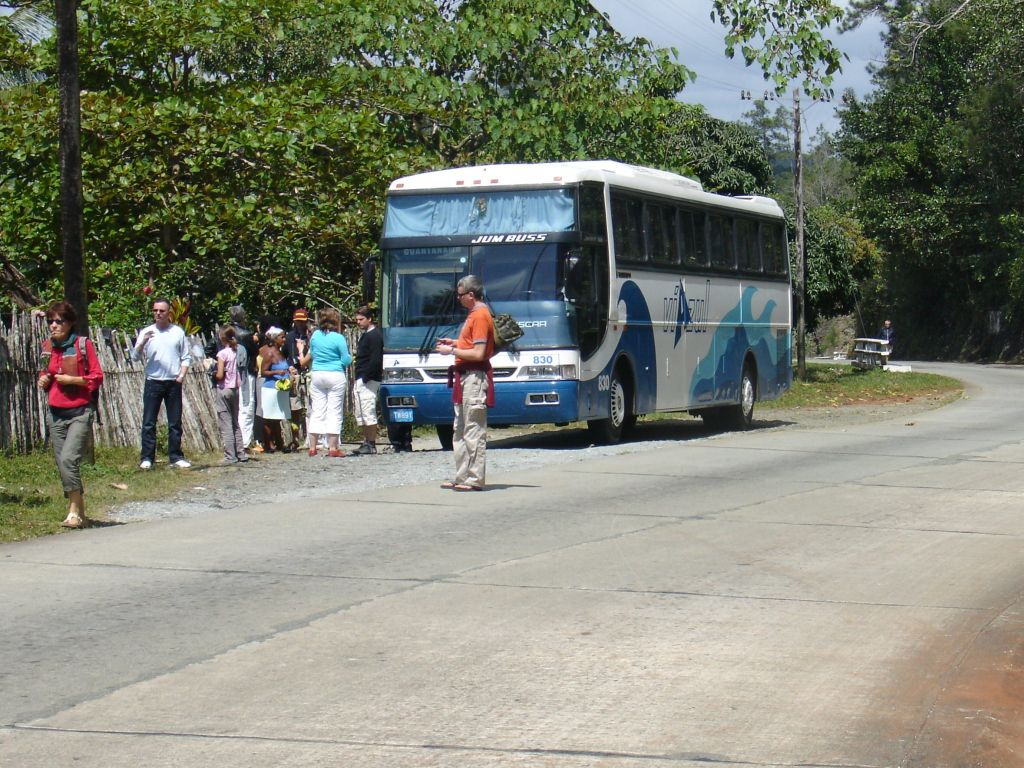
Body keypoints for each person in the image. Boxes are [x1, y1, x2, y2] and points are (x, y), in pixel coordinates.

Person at [37, 301, 104, 528]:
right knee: (62, 463)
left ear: (70, 322)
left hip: (79, 411)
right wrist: (43, 379)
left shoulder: (82, 345)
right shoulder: (48, 346)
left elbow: (97, 377)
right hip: (55, 413)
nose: (54, 325)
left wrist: (73, 380)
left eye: (59, 321)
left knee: (68, 459)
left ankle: (74, 511)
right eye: (50, 321)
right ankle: (80, 510)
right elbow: (45, 373)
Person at [435, 275, 495, 491]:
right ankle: (462, 477)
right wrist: (456, 343)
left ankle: (475, 478)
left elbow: (478, 353)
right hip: (464, 378)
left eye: (460, 295)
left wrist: (451, 350)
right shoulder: (473, 315)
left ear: (471, 295)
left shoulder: (480, 315)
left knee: (473, 428)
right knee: (459, 429)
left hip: (473, 377)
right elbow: (471, 344)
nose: (458, 299)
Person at [134, 297, 192, 470]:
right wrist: (143, 342)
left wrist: (181, 375)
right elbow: (134, 356)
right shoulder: (147, 331)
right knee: (149, 421)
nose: (158, 314)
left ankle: (175, 456)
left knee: (175, 421)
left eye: (162, 311)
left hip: (173, 381)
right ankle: (147, 457)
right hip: (153, 381)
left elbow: (186, 357)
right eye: (155, 311)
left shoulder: (177, 332)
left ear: (169, 313)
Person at [300, 308, 352, 458]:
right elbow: (346, 358)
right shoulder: (338, 338)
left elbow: (313, 354)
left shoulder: (315, 336)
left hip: (317, 374)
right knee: (334, 411)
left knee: (317, 410)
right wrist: (345, 361)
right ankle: (333, 447)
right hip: (335, 374)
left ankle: (312, 447)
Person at [349, 305, 384, 456]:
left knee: (368, 410)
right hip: (362, 377)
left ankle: (371, 443)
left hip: (368, 379)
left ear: (369, 319)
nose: (358, 322)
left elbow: (376, 360)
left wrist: (366, 377)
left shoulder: (375, 336)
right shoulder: (366, 335)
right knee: (361, 411)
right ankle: (366, 441)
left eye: (361, 319)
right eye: (357, 319)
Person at [213, 326, 248, 464]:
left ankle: (230, 455)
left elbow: (220, 374)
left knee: (225, 423)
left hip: (224, 388)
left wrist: (212, 372)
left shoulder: (222, 354)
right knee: (235, 422)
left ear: (222, 338)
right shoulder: (235, 351)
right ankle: (241, 453)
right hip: (235, 388)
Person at [258, 327, 295, 452]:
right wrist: (276, 372)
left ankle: (279, 443)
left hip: (280, 388)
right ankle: (268, 444)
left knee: (278, 418)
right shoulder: (269, 354)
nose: (284, 339)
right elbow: (263, 371)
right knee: (268, 418)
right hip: (270, 389)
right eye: (282, 337)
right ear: (274, 339)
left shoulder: (280, 353)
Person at [228, 305, 258, 448]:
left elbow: (210, 348)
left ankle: (233, 440)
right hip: (245, 372)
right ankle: (244, 442)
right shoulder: (246, 334)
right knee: (247, 405)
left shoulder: (224, 332)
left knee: (232, 406)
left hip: (228, 372)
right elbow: (254, 352)